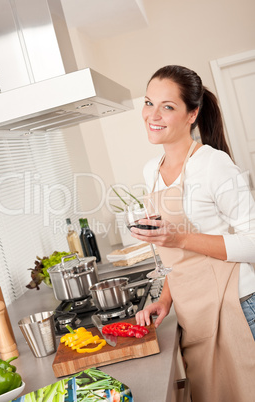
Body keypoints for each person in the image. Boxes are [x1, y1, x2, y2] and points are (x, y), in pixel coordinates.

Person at [132, 65, 255, 402]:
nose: (152, 115)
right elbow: (178, 257)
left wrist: (180, 238)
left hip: (236, 306)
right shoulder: (151, 171)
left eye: (167, 106)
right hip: (193, 312)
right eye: (148, 102)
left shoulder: (213, 164)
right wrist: (165, 298)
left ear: (193, 114)